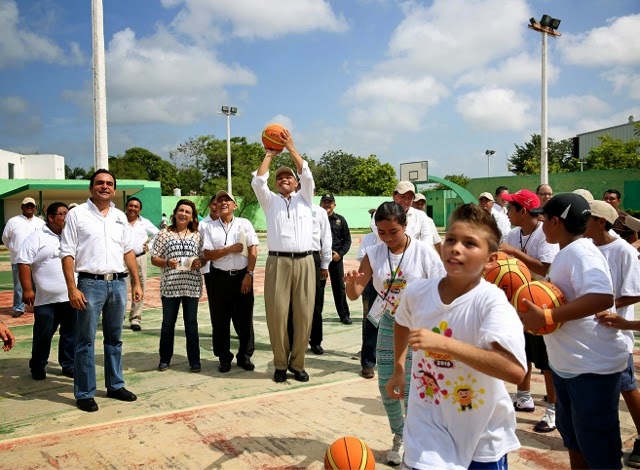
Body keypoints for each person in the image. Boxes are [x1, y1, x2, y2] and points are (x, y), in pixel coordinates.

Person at [386, 203, 527, 469]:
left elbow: (514, 370)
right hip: (427, 429)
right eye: (451, 239)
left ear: (491, 259)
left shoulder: (492, 303)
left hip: (482, 436)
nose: (456, 248)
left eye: (470, 243)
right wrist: (399, 367)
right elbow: (402, 323)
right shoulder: (417, 292)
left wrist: (447, 345)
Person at [523, 193, 628, 469]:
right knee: (575, 441)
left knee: (599, 449)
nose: (541, 224)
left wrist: (548, 315)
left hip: (591, 368)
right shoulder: (568, 252)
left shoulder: (581, 252)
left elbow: (602, 296)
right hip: (569, 365)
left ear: (556, 222)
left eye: (543, 219)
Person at [345, 201, 445, 465]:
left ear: (405, 225)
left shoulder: (424, 253)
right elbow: (355, 294)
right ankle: (399, 435)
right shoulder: (374, 253)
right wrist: (352, 285)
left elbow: (443, 292)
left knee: (415, 387)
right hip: (389, 321)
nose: (387, 238)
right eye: (381, 232)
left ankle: (417, 439)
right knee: (387, 384)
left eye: (393, 231)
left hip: (421, 325)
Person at [60, 169, 142, 413]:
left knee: (114, 339)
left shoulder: (119, 217)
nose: (105, 187)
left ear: (114, 189)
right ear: (91, 188)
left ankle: (115, 385)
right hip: (89, 284)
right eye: (99, 183)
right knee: (85, 341)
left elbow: (128, 251)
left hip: (118, 284)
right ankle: (85, 392)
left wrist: (136, 282)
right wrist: (72, 288)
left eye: (109, 183)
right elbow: (67, 253)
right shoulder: (77, 215)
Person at [251, 129, 315, 383]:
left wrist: (290, 148)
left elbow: (307, 173)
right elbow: (258, 181)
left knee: (304, 315)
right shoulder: (270, 202)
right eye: (280, 177)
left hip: (305, 261)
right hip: (277, 262)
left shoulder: (305, 199)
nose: (284, 179)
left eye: (289, 176)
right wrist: (270, 154)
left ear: (297, 183)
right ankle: (280, 364)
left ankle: (297, 364)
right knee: (277, 314)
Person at [585, 201, 640, 468]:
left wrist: (604, 304)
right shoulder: (583, 248)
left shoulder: (622, 251)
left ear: (600, 222)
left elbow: (635, 290)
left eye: (588, 217)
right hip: (590, 333)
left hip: (616, 334)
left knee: (627, 387)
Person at [500, 189, 559, 433]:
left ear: (523, 211)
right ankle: (523, 396)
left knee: (546, 362)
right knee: (520, 353)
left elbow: (546, 268)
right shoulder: (513, 234)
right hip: (518, 304)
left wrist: (515, 254)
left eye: (511, 207)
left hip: (541, 303)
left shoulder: (544, 235)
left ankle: (554, 410)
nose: (507, 211)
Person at [17, 202, 77, 381]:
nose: (66, 217)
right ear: (50, 217)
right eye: (62, 214)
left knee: (70, 334)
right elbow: (23, 262)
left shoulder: (72, 237)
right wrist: (27, 289)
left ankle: (68, 364)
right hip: (46, 300)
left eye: (68, 213)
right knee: (43, 335)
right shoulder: (36, 237)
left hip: (71, 296)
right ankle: (38, 365)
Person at [202, 190, 258, 373]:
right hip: (219, 278)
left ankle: (245, 355)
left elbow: (253, 250)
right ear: (216, 205)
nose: (224, 202)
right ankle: (224, 357)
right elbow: (208, 254)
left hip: (242, 276)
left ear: (235, 205)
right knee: (220, 319)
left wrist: (249, 274)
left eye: (228, 200)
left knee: (244, 318)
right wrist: (230, 249)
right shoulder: (209, 226)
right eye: (220, 200)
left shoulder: (245, 224)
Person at [151, 199, 204, 373]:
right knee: (168, 324)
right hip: (170, 287)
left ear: (192, 217)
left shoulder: (197, 235)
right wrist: (166, 262)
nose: (183, 214)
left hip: (191, 286)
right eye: (181, 210)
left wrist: (199, 262)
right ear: (175, 213)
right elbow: (154, 258)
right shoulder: (164, 233)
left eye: (187, 212)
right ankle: (164, 359)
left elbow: (203, 257)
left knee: (191, 324)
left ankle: (194, 361)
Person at [2, 196, 45, 317]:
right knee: (19, 285)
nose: (29, 207)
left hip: (36, 259)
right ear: (22, 207)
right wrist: (14, 249)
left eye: (32, 205)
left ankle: (38, 306)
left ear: (35, 208)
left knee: (38, 283)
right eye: (27, 205)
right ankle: (18, 308)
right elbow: (5, 239)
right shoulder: (13, 221)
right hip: (18, 259)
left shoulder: (40, 223)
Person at [371, 181, 441, 253]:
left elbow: (427, 240)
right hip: (386, 257)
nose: (406, 201)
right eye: (402, 196)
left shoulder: (421, 216)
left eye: (410, 198)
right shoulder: (380, 213)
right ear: (394, 195)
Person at [125, 197, 159, 331]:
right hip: (121, 259)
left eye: (136, 206)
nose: (133, 208)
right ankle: (118, 317)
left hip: (139, 258)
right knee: (121, 288)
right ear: (126, 207)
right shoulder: (119, 221)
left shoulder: (144, 222)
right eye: (131, 205)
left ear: (140, 209)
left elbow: (158, 233)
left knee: (140, 287)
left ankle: (135, 319)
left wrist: (149, 245)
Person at [320, 193, 353, 325]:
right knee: (318, 289)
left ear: (334, 204)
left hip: (336, 259)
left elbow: (347, 240)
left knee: (339, 288)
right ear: (320, 204)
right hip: (320, 260)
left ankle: (344, 315)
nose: (327, 204)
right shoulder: (316, 219)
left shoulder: (340, 220)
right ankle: (315, 316)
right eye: (324, 202)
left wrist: (340, 254)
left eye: (330, 202)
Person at [358, 209, 380, 379]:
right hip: (372, 283)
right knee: (371, 322)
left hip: (396, 284)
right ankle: (368, 362)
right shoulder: (368, 239)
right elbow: (362, 261)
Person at [199, 196, 219, 339]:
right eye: (213, 204)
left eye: (219, 204)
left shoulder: (231, 222)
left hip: (228, 269)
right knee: (215, 303)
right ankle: (217, 330)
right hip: (209, 270)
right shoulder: (202, 225)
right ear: (209, 205)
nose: (216, 206)